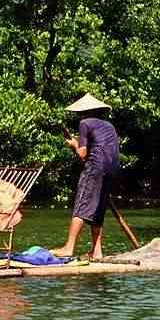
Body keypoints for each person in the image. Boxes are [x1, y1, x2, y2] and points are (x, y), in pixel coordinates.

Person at [52, 93, 119, 261]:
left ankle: (69, 247)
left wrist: (74, 144)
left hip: (95, 168)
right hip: (111, 169)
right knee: (98, 209)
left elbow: (82, 154)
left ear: (84, 112)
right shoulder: (109, 125)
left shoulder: (84, 123)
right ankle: (97, 251)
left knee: (81, 205)